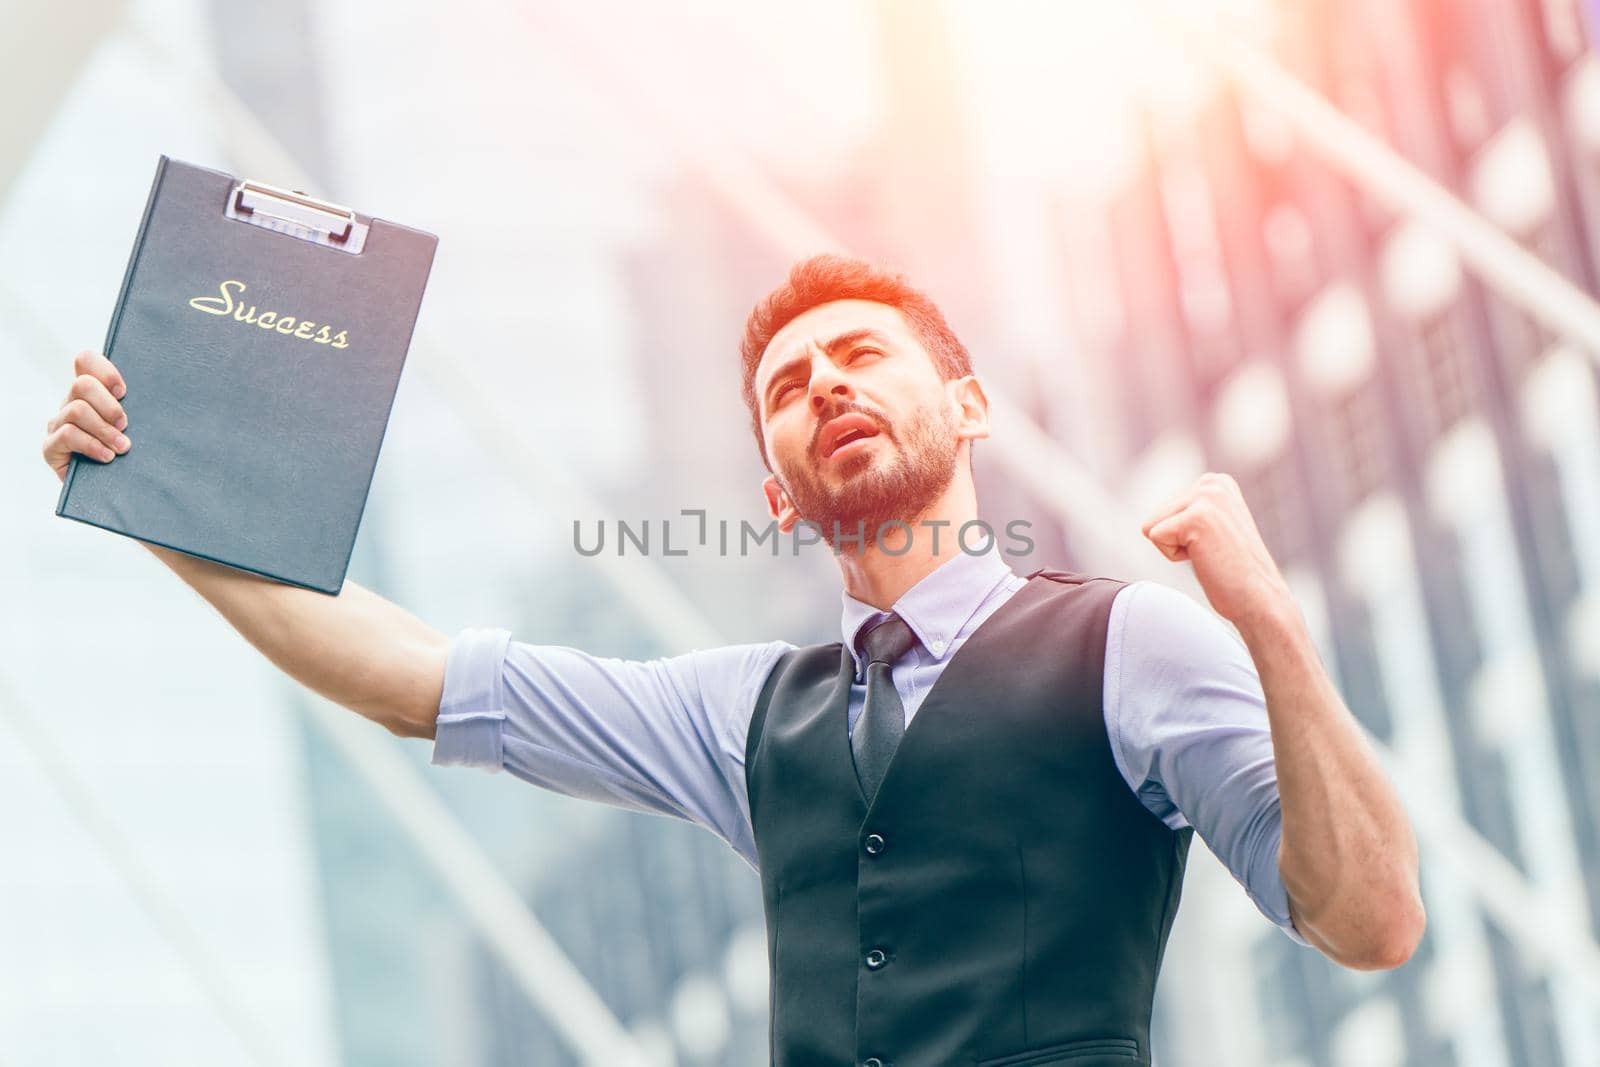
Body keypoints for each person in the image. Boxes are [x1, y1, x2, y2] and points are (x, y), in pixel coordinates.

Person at [41, 253, 1423, 1066]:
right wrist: (153, 496)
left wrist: (1275, 634)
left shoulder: (1130, 642)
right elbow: (412, 674)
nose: (824, 383)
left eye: (864, 354)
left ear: (968, 404)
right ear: (772, 489)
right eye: (785, 386)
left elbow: (1368, 924)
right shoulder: (743, 714)